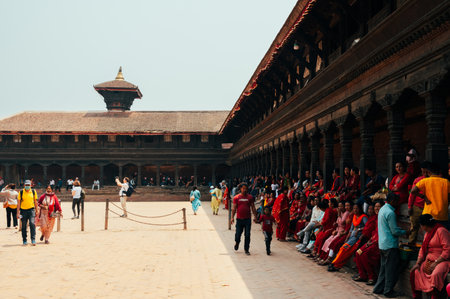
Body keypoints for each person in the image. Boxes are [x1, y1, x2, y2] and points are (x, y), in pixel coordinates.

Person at [373, 192, 406, 298]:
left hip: (382, 244)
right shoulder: (390, 213)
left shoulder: (382, 209)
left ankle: (378, 288)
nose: (397, 203)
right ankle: (388, 290)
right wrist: (405, 232)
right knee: (390, 269)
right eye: (396, 201)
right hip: (390, 244)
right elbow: (394, 231)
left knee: (384, 268)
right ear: (392, 201)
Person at [410, 214, 450, 299]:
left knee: (436, 274)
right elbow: (422, 249)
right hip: (429, 259)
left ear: (423, 225)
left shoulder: (441, 231)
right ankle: (417, 296)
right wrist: (418, 263)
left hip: (443, 260)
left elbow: (447, 250)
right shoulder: (427, 234)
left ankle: (435, 296)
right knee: (415, 272)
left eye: (421, 225)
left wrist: (436, 263)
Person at [328, 203, 368, 272]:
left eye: (356, 208)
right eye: (354, 208)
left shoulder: (363, 217)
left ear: (360, 209)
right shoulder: (355, 216)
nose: (355, 210)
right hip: (351, 237)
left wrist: (359, 229)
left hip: (357, 238)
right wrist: (347, 237)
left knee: (344, 250)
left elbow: (367, 227)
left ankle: (335, 264)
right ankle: (336, 264)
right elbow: (351, 229)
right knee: (342, 249)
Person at [411, 162, 450, 228]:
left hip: (428, 214)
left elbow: (412, 191)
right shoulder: (446, 182)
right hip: (442, 215)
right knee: (442, 235)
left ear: (428, 172)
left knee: (429, 236)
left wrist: (424, 197)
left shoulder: (425, 181)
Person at [353, 200, 383, 285]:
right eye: (375, 207)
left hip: (377, 242)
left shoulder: (381, 218)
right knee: (358, 253)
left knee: (364, 255)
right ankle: (363, 275)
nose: (376, 208)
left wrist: (372, 241)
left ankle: (372, 277)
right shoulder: (375, 218)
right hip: (372, 240)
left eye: (378, 207)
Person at [231, 183, 257, 255]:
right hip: (239, 219)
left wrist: (255, 216)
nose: (244, 190)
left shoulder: (250, 197)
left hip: (247, 219)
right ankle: (237, 242)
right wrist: (232, 218)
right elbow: (234, 208)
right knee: (238, 234)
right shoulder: (236, 197)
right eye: (243, 188)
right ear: (240, 189)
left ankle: (246, 249)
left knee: (247, 235)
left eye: (246, 188)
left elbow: (253, 207)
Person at [408, 162, 430, 245]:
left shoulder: (432, 180)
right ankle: (411, 244)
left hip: (428, 207)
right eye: (423, 172)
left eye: (426, 172)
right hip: (417, 206)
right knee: (414, 227)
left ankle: (426, 246)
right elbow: (412, 194)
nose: (424, 174)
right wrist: (410, 206)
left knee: (428, 228)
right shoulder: (418, 180)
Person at [17, 180, 38, 246]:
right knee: (24, 226)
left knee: (32, 224)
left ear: (31, 185)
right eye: (26, 185)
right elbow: (18, 203)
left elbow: (35, 202)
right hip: (23, 211)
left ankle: (33, 239)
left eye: (28, 185)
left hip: (31, 210)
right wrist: (18, 212)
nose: (27, 186)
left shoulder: (33, 192)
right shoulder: (21, 192)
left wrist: (37, 210)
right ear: (24, 185)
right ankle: (24, 240)